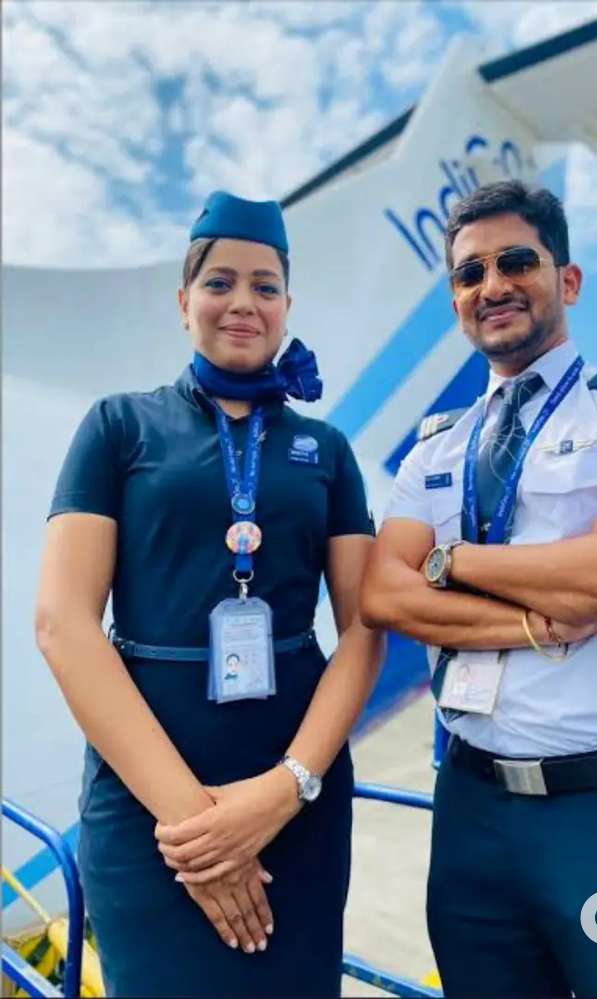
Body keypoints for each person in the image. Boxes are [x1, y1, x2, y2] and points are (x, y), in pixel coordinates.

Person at [361, 180, 597, 998]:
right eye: (469, 273)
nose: (491, 284)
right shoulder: (436, 448)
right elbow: (383, 595)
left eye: (515, 262)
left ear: (566, 279)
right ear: (456, 302)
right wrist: (549, 613)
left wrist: (451, 559)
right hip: (473, 813)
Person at [36, 190, 384, 998]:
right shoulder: (118, 426)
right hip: (150, 809)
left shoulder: (326, 449)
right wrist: (198, 827)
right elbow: (62, 624)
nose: (243, 302)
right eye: (219, 281)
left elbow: (365, 628)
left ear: (287, 305)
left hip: (296, 800)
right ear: (183, 299)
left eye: (266, 285)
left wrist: (285, 788)